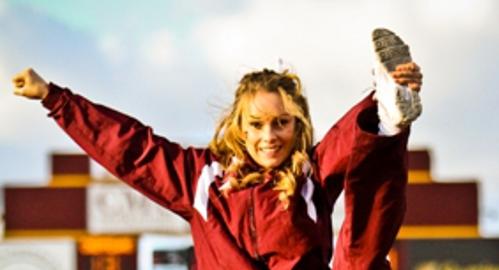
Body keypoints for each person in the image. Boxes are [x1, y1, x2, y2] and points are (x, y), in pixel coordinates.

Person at [12, 28, 422, 269]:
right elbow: (131, 149)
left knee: (372, 165)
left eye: (282, 124)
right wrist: (55, 99)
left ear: (296, 126)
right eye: (257, 125)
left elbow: (347, 141)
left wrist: (380, 108)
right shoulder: (201, 179)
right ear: (239, 128)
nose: (270, 137)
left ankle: (386, 110)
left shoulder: (307, 171)